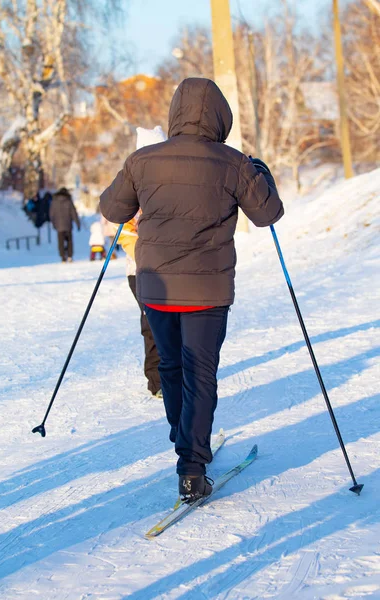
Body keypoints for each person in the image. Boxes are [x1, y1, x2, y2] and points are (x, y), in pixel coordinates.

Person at [100, 77, 284, 502]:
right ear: (221, 116)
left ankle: (183, 440)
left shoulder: (142, 160)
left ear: (175, 112)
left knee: (170, 367)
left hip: (156, 289)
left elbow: (111, 209)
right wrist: (262, 174)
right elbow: (268, 214)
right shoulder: (234, 162)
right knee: (200, 374)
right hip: (207, 291)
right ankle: (192, 465)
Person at [106, 126, 167, 399]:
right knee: (152, 322)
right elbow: (123, 233)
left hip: (173, 266)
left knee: (175, 322)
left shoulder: (172, 186)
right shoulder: (132, 187)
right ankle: (157, 381)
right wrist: (146, 250)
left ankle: (177, 373)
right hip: (141, 269)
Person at [49, 187, 80, 262]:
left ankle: (63, 256)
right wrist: (77, 223)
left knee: (61, 241)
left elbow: (51, 214)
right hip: (68, 224)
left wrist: (53, 223)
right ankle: (69, 256)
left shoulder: (54, 201)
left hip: (59, 226)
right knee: (69, 241)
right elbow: (73, 213)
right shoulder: (68, 201)